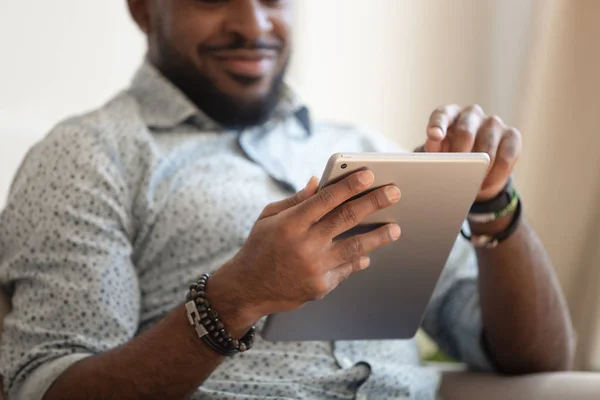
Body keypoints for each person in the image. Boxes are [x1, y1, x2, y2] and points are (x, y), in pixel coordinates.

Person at [0, 1, 576, 399]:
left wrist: (493, 202)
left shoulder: (364, 149)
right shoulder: (87, 156)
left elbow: (534, 359)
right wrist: (235, 298)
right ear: (145, 9)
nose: (252, 24)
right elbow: (48, 386)